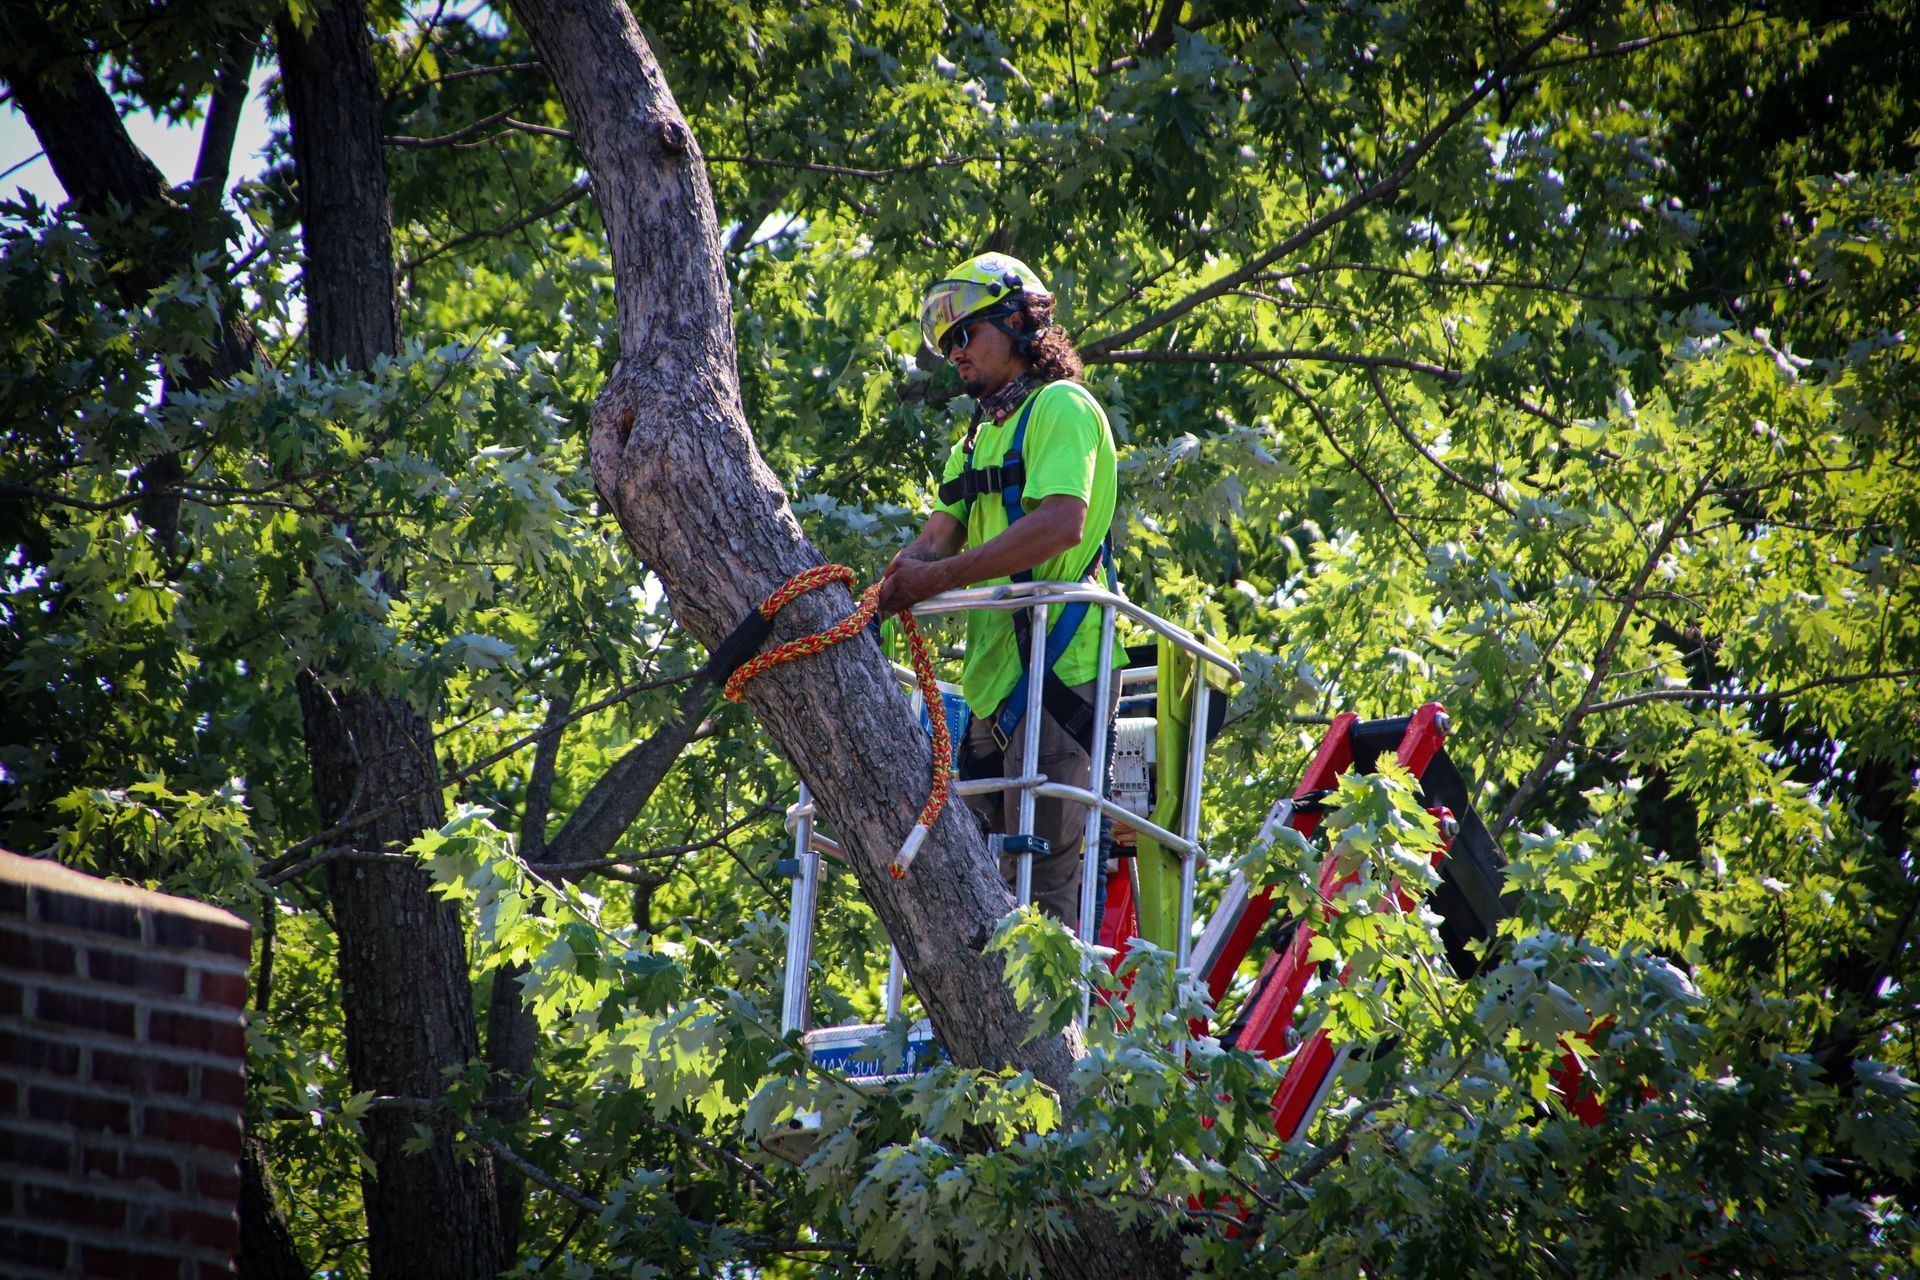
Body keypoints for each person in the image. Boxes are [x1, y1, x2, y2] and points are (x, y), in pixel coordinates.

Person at [877, 253, 1118, 928]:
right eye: (946, 342)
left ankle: (1043, 1030)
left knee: (1038, 883)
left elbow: (1060, 523)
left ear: (1018, 322)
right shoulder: (978, 440)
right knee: (975, 882)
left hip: (1058, 673)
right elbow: (932, 545)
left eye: (966, 334)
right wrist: (871, 600)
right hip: (991, 688)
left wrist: (939, 579)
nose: (954, 352)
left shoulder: (1061, 408)